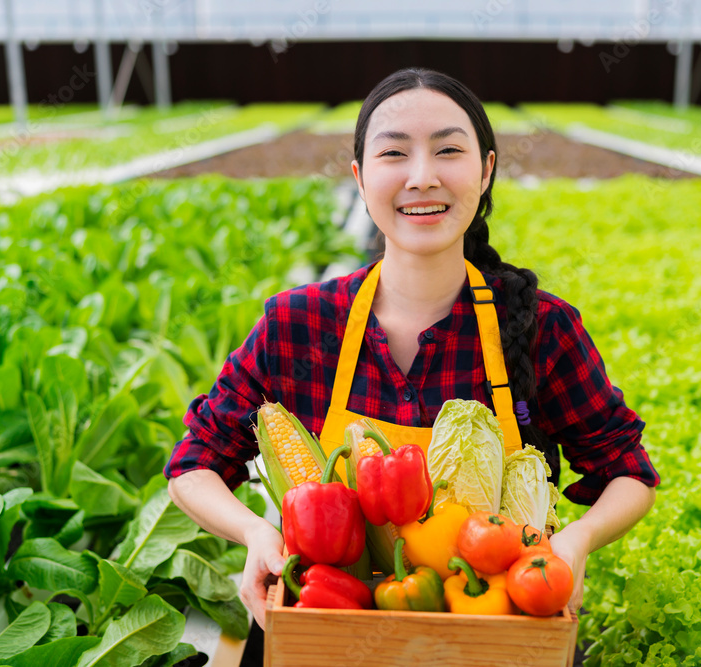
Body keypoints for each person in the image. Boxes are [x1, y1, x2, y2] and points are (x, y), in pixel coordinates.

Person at [164, 66, 659, 652]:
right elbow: (194, 462)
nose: (422, 178)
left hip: (497, 632)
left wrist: (573, 545)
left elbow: (627, 471)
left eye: (449, 150)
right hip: (328, 622)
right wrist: (253, 534)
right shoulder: (299, 324)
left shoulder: (539, 327)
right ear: (360, 176)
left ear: (487, 169)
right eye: (394, 153)